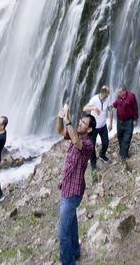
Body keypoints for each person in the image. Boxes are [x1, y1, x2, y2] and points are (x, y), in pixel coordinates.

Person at [56, 104, 96, 265]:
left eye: (83, 123)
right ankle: (75, 251)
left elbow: (76, 142)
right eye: (79, 121)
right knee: (71, 223)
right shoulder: (75, 135)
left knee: (62, 232)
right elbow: (60, 131)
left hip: (73, 192)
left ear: (90, 130)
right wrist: (60, 117)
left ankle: (68, 262)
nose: (79, 123)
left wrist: (68, 120)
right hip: (67, 187)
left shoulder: (87, 144)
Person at [82, 85, 113, 170]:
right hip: (94, 127)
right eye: (108, 93)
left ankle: (102, 155)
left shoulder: (108, 98)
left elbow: (110, 109)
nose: (109, 95)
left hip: (103, 126)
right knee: (92, 146)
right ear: (103, 93)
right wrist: (93, 108)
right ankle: (93, 162)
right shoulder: (94, 99)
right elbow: (84, 108)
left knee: (106, 142)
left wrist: (110, 123)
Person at [112, 85, 138, 160]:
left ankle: (124, 156)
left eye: (120, 92)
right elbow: (116, 103)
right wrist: (112, 106)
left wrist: (135, 119)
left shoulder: (131, 97)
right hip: (119, 121)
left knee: (126, 139)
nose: (118, 94)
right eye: (118, 92)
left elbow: (135, 108)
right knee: (120, 137)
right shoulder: (119, 97)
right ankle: (122, 152)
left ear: (124, 91)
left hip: (128, 121)